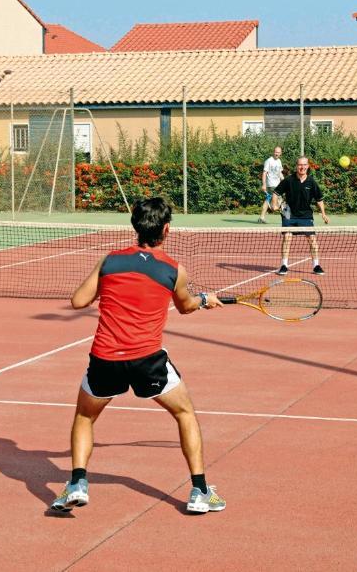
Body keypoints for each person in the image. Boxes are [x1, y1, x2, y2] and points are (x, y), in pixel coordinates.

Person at [53, 197, 227, 515]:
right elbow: (186, 306)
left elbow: (78, 301)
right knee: (185, 413)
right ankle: (200, 490)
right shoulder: (174, 270)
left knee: (84, 416)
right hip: (148, 361)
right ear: (166, 229)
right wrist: (205, 299)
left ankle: (77, 483)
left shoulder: (110, 261)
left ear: (135, 227)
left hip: (105, 359)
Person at [273, 156, 329, 275]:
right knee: (287, 238)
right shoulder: (289, 180)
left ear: (308, 166)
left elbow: (319, 199)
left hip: (306, 216)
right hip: (289, 214)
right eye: (300, 165)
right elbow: (276, 192)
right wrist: (274, 205)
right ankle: (284, 265)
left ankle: (316, 265)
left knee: (312, 240)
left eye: (304, 165)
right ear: (296, 166)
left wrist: (323, 214)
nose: (302, 167)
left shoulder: (311, 182)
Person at [259, 146, 284, 223]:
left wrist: (285, 181)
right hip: (271, 185)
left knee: (268, 199)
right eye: (276, 152)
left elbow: (280, 173)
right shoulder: (269, 161)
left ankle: (262, 217)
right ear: (273, 152)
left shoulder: (279, 161)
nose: (277, 154)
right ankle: (283, 215)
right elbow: (264, 173)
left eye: (278, 152)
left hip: (278, 184)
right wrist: (264, 184)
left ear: (281, 153)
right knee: (279, 201)